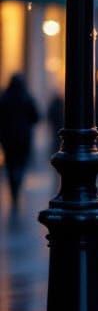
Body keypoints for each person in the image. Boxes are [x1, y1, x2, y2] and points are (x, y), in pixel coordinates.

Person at [0, 74, 40, 212]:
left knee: (10, 164)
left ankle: (14, 189)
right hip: (23, 138)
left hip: (8, 138)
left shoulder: (5, 97)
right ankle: (17, 184)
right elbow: (36, 117)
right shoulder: (26, 97)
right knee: (21, 163)